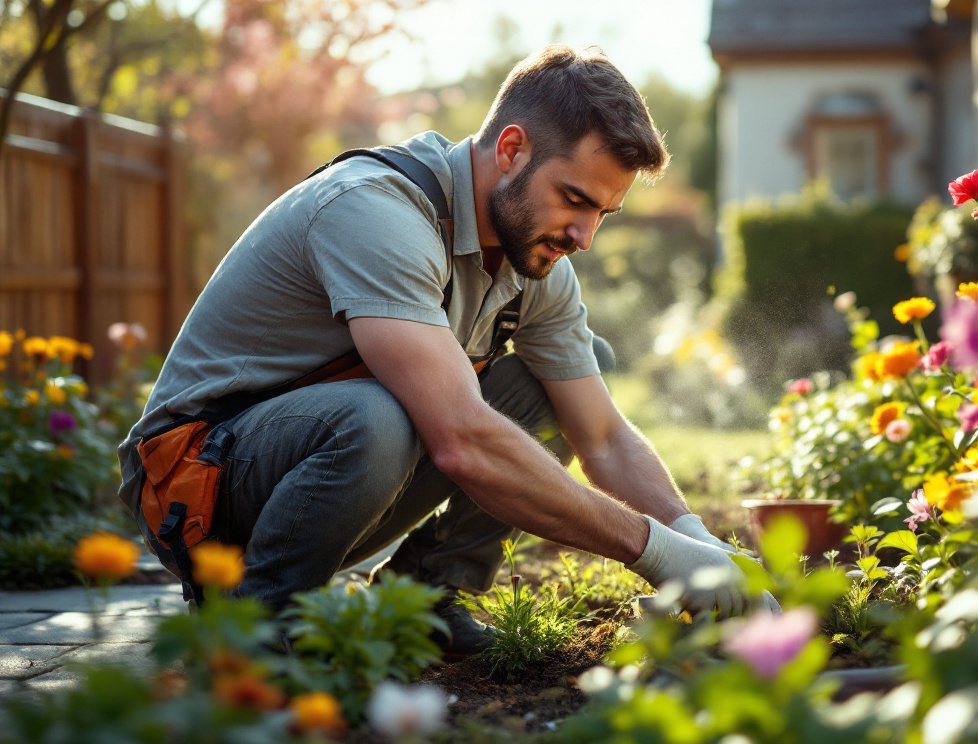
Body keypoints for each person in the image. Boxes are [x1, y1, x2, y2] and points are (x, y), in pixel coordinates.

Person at [116, 45, 761, 656]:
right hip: (200, 482)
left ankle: (423, 597)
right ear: (512, 149)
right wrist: (656, 552)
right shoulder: (376, 211)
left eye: (604, 214)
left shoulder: (533, 266)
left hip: (326, 467)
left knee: (551, 387)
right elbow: (461, 439)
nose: (584, 236)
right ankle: (259, 629)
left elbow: (603, 437)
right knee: (377, 418)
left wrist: (697, 541)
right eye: (575, 200)